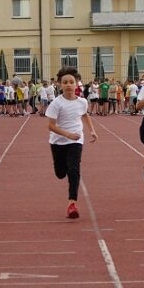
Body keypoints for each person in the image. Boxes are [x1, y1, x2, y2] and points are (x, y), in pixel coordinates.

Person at [46, 67, 97, 219]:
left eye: (71, 82)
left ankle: (72, 203)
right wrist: (67, 134)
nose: (68, 85)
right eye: (65, 82)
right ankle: (64, 169)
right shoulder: (56, 103)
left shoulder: (82, 102)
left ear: (77, 84)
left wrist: (92, 131)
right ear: (60, 84)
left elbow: (85, 115)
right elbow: (51, 126)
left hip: (76, 140)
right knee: (61, 173)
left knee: (74, 169)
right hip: (58, 142)